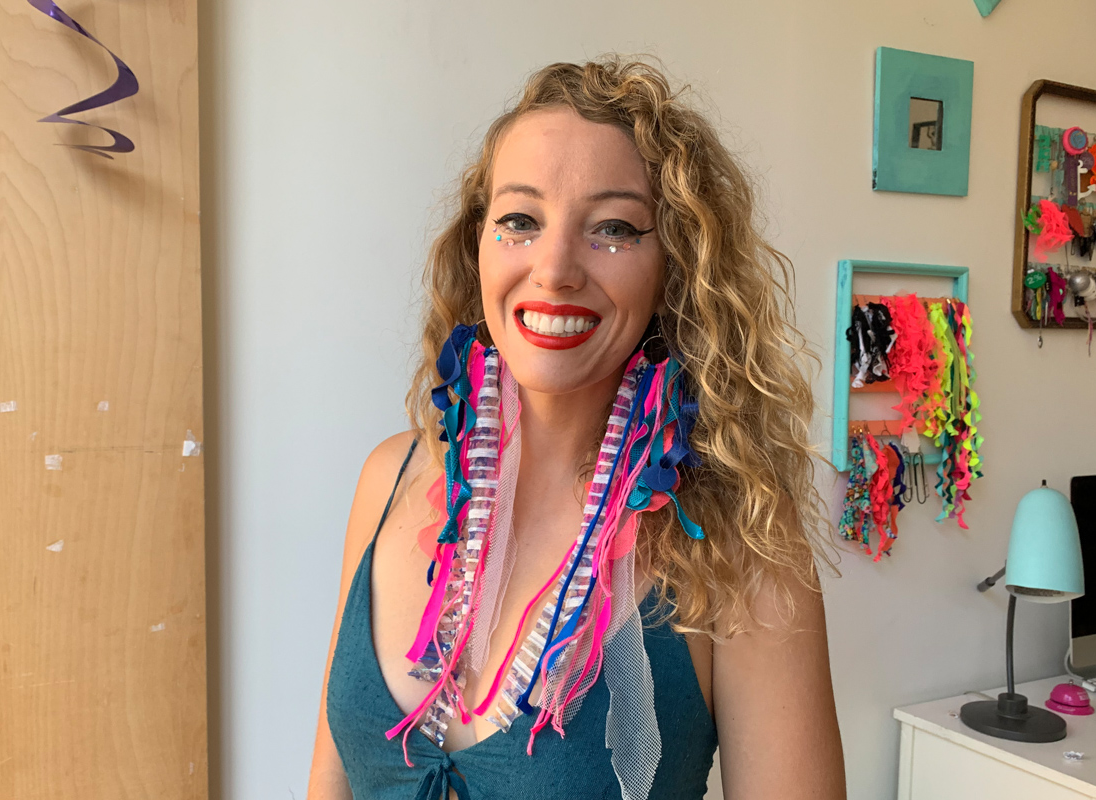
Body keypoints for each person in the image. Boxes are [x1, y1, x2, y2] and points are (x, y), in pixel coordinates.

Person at [307, 55, 845, 800]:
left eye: (614, 228)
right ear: (479, 244)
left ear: (674, 271)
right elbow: (329, 782)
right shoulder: (389, 478)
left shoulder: (744, 545)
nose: (554, 267)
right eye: (520, 220)